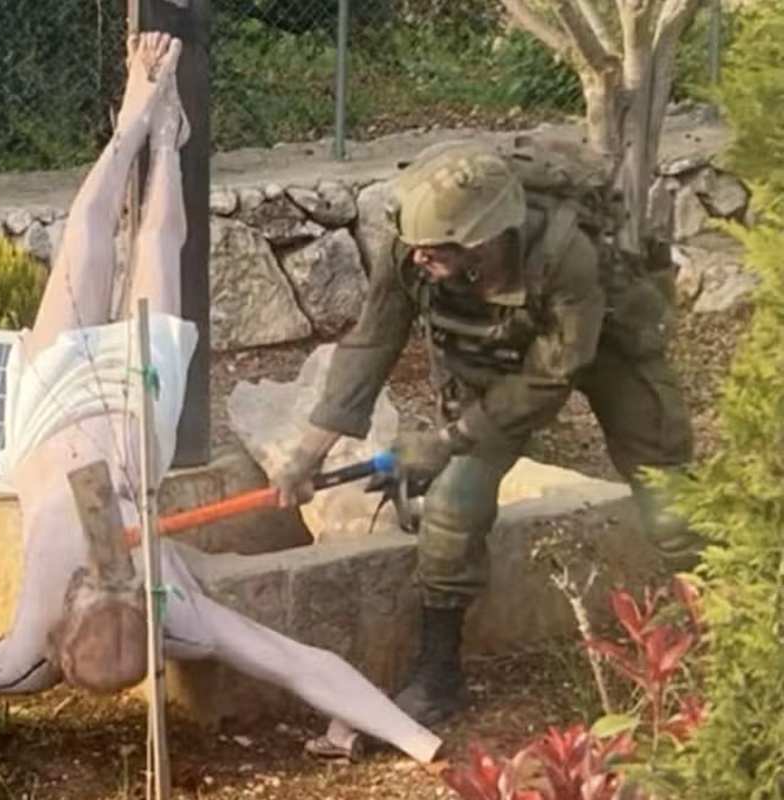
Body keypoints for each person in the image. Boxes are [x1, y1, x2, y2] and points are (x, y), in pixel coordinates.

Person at [0, 32, 441, 768]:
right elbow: (301, 663)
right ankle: (160, 137)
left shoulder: (31, 654)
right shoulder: (179, 620)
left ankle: (136, 126)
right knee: (158, 244)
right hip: (131, 418)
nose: (108, 572)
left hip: (47, 417)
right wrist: (424, 743)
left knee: (85, 244)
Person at [275, 142, 701, 729]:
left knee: (666, 491)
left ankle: (719, 631)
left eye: (437, 247)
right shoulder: (412, 251)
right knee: (453, 502)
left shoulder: (565, 255)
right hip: (499, 363)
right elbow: (371, 343)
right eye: (417, 244)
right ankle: (439, 675)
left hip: (602, 349)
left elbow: (555, 373)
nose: (420, 256)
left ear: (484, 238)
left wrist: (447, 438)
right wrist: (307, 453)